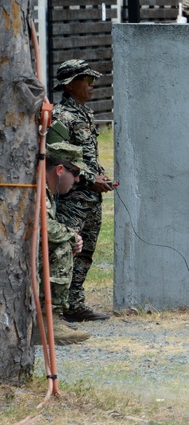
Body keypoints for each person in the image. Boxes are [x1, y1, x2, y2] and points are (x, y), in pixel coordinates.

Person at [51, 59, 113, 322]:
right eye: (86, 81)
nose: (92, 86)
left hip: (90, 197)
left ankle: (75, 304)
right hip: (72, 197)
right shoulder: (61, 116)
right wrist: (90, 178)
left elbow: (86, 155)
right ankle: (56, 309)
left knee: (85, 252)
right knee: (66, 248)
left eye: (92, 80)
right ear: (70, 85)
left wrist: (100, 175)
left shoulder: (85, 113)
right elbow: (59, 159)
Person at [36, 141, 90, 345]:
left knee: (64, 241)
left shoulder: (45, 189)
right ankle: (48, 322)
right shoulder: (37, 187)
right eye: (75, 172)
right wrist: (71, 237)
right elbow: (43, 226)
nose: (77, 180)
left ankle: (49, 318)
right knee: (62, 246)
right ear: (59, 170)